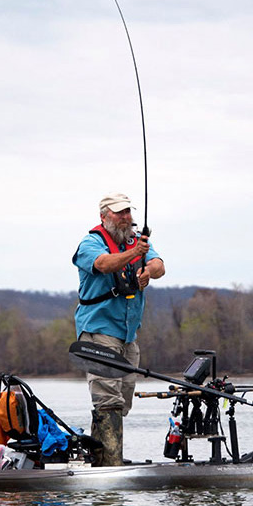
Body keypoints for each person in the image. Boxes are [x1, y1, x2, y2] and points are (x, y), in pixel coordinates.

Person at [72, 192, 165, 466]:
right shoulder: (91, 242)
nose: (125, 217)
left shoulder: (138, 241)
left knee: (122, 401)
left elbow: (159, 265)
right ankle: (110, 465)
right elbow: (102, 264)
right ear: (104, 216)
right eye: (118, 212)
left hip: (128, 334)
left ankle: (101, 459)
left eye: (127, 212)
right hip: (98, 329)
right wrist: (133, 254)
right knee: (107, 399)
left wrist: (148, 270)